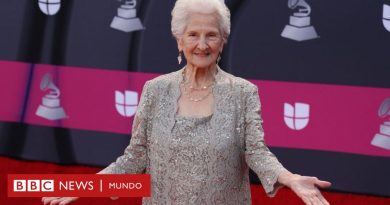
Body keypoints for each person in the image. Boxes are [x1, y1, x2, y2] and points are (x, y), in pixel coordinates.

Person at [42, 0, 331, 204]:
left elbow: (256, 152)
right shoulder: (155, 90)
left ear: (223, 40)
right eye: (193, 34)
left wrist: (290, 178)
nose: (202, 45)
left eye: (211, 35)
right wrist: (85, 186)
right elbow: (135, 157)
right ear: (178, 39)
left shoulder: (243, 93)